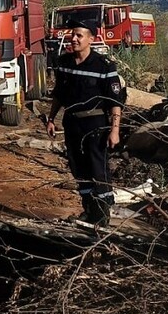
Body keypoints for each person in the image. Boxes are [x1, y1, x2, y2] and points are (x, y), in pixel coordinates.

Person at [47, 18, 124, 226]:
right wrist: (51, 119)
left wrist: (114, 130)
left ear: (91, 38)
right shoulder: (64, 63)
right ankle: (89, 210)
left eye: (79, 35)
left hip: (96, 125)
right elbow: (59, 94)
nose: (74, 39)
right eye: (72, 34)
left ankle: (102, 215)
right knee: (78, 168)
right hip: (72, 124)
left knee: (97, 169)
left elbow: (115, 102)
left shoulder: (104, 66)